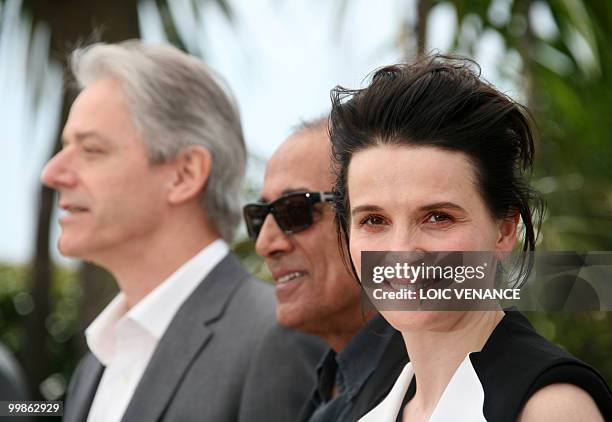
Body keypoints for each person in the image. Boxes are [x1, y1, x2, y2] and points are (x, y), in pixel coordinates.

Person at [41, 40, 320, 422]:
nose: (52, 173)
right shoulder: (97, 362)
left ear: (185, 174)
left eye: (91, 150)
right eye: (65, 147)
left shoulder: (274, 340)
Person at [328, 55, 612, 421]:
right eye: (374, 220)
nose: (401, 250)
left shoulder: (550, 407)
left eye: (437, 217)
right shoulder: (375, 411)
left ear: (505, 229)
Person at [243, 118, 409, 422]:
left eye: (294, 211)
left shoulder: (445, 382)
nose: (265, 244)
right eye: (259, 216)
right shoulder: (330, 384)